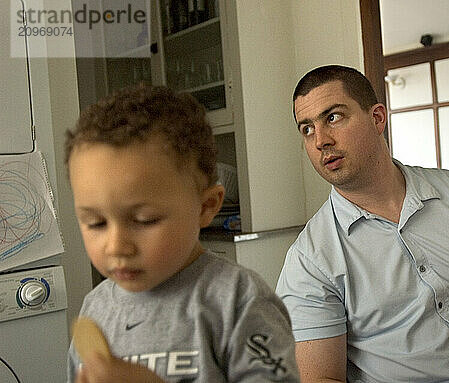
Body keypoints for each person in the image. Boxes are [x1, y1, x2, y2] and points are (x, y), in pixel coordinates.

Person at [275, 65, 449, 383]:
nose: (320, 141)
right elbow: (319, 378)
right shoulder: (309, 260)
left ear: (377, 118)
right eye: (307, 129)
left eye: (333, 117)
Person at [65, 85, 300, 383]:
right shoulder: (95, 310)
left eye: (145, 219)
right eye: (96, 222)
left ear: (206, 206)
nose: (116, 246)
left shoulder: (238, 300)